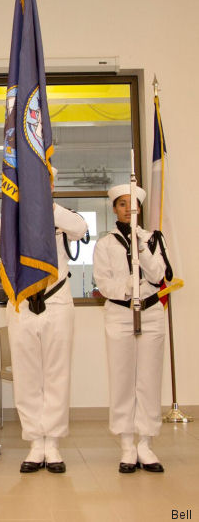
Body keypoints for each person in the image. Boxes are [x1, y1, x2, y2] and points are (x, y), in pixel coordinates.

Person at [0, 168, 88, 474]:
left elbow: (80, 229)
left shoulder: (61, 216)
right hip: (22, 305)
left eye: (45, 183)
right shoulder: (13, 218)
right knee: (27, 375)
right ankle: (34, 443)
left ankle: (52, 442)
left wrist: (46, 207)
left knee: (56, 373)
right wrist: (22, 210)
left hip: (56, 300)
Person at [93, 183, 167, 473]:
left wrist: (142, 247)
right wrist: (129, 286)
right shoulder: (104, 244)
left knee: (149, 379)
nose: (127, 209)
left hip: (151, 313)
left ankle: (145, 444)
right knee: (123, 379)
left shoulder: (152, 239)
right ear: (114, 208)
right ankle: (126, 444)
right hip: (120, 314)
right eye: (122, 204)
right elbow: (104, 284)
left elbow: (159, 274)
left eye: (132, 204)